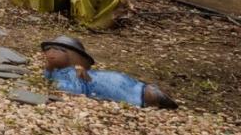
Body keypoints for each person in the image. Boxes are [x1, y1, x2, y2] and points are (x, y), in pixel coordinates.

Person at [40, 36, 177, 109]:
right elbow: (48, 76)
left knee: (128, 92)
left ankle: (151, 96)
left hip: (112, 82)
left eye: (57, 50)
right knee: (133, 88)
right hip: (112, 79)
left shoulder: (74, 72)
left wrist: (56, 84)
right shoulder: (59, 70)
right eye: (49, 50)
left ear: (71, 55)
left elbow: (76, 90)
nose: (51, 53)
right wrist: (49, 69)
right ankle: (147, 93)